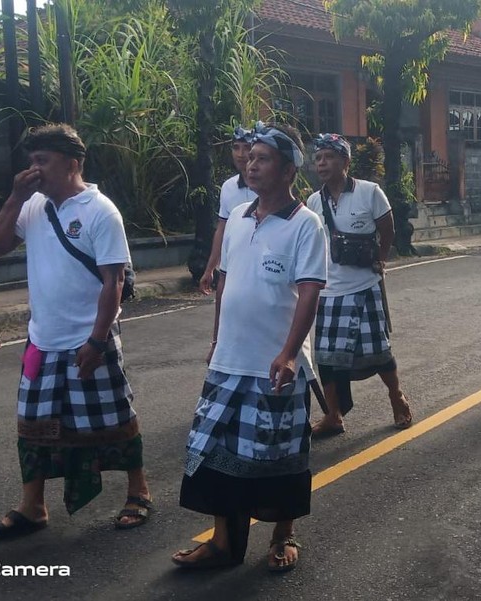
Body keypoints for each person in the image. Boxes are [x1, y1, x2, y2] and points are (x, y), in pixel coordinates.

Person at [0, 124, 152, 539]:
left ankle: (139, 491)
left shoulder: (100, 210)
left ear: (73, 163)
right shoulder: (32, 205)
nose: (34, 169)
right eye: (31, 161)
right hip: (41, 338)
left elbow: (113, 282)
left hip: (89, 337)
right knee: (33, 423)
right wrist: (15, 199)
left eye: (43, 161)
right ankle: (32, 507)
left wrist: (97, 340)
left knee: (113, 416)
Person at [171, 123, 326, 572]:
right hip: (229, 359)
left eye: (262, 159)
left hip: (275, 363)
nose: (250, 164)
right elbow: (225, 283)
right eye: (249, 157)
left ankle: (283, 535)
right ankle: (222, 543)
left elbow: (310, 292)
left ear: (288, 170)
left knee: (278, 455)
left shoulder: (305, 225)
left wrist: (289, 353)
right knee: (214, 451)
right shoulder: (238, 218)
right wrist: (217, 337)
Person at [305, 133, 412, 436]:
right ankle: (333, 415)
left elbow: (387, 228)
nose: (322, 163)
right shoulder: (314, 200)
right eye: (318, 158)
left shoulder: (370, 192)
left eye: (329, 156)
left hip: (364, 286)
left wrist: (380, 258)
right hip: (329, 291)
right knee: (326, 357)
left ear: (345, 161)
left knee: (379, 351)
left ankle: (396, 395)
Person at [198, 125, 255, 294]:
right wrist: (209, 269)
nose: (240, 154)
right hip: (232, 268)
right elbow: (222, 229)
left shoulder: (268, 186)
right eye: (236, 148)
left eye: (246, 148)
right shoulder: (228, 187)